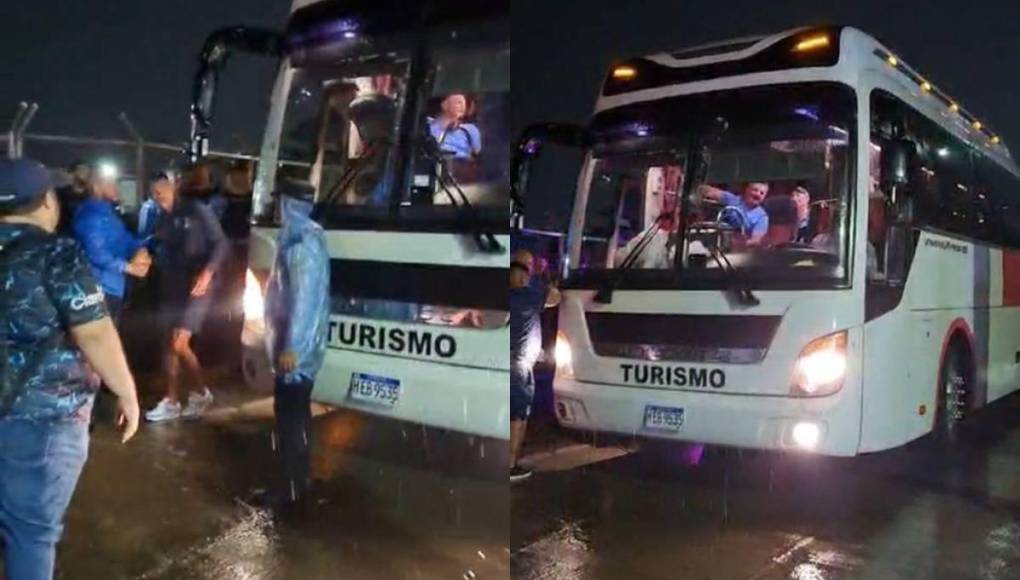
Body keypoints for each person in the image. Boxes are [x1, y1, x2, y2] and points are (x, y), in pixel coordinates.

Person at [0, 159, 140, 580]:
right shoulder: (56, 252)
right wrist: (128, 394)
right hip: (43, 421)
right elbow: (94, 333)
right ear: (46, 202)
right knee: (31, 534)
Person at [263, 181, 330, 511]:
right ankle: (295, 483)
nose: (277, 206)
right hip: (293, 347)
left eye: (280, 200)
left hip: (295, 353)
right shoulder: (300, 235)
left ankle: (289, 489)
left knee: (290, 419)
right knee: (294, 418)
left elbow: (304, 301)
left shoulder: (303, 241)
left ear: (289, 203)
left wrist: (292, 348)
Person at [145, 176, 230, 422]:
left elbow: (221, 243)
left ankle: (202, 393)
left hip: (198, 287)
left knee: (179, 343)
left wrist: (207, 273)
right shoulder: (161, 219)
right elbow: (154, 246)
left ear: (174, 187)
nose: (158, 194)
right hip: (171, 286)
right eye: (154, 191)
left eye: (161, 188)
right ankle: (171, 401)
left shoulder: (197, 210)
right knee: (167, 344)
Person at [72, 171, 151, 321]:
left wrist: (140, 248)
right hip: (98, 289)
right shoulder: (90, 215)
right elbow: (96, 253)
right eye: (110, 183)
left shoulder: (107, 212)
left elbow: (124, 239)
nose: (116, 188)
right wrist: (129, 267)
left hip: (113, 285)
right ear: (97, 187)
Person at [510, 249, 561, 482]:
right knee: (517, 417)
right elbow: (556, 297)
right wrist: (545, 274)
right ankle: (510, 465)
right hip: (518, 367)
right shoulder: (529, 294)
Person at [699, 182, 771, 245]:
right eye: (755, 190)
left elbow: (756, 241)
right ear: (747, 189)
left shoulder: (762, 217)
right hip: (713, 241)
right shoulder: (733, 200)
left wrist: (736, 242)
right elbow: (707, 191)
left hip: (739, 252)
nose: (758, 194)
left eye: (762, 193)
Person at [429, 93, 482, 160]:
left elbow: (477, 156)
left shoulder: (470, 130)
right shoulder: (427, 125)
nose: (462, 106)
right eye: (458, 103)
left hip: (459, 167)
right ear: (444, 105)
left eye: (464, 103)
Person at [54, 160, 91, 235]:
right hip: (65, 233)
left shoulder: (92, 195)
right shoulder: (61, 193)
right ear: (73, 173)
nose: (85, 173)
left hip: (85, 234)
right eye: (82, 170)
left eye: (87, 171)